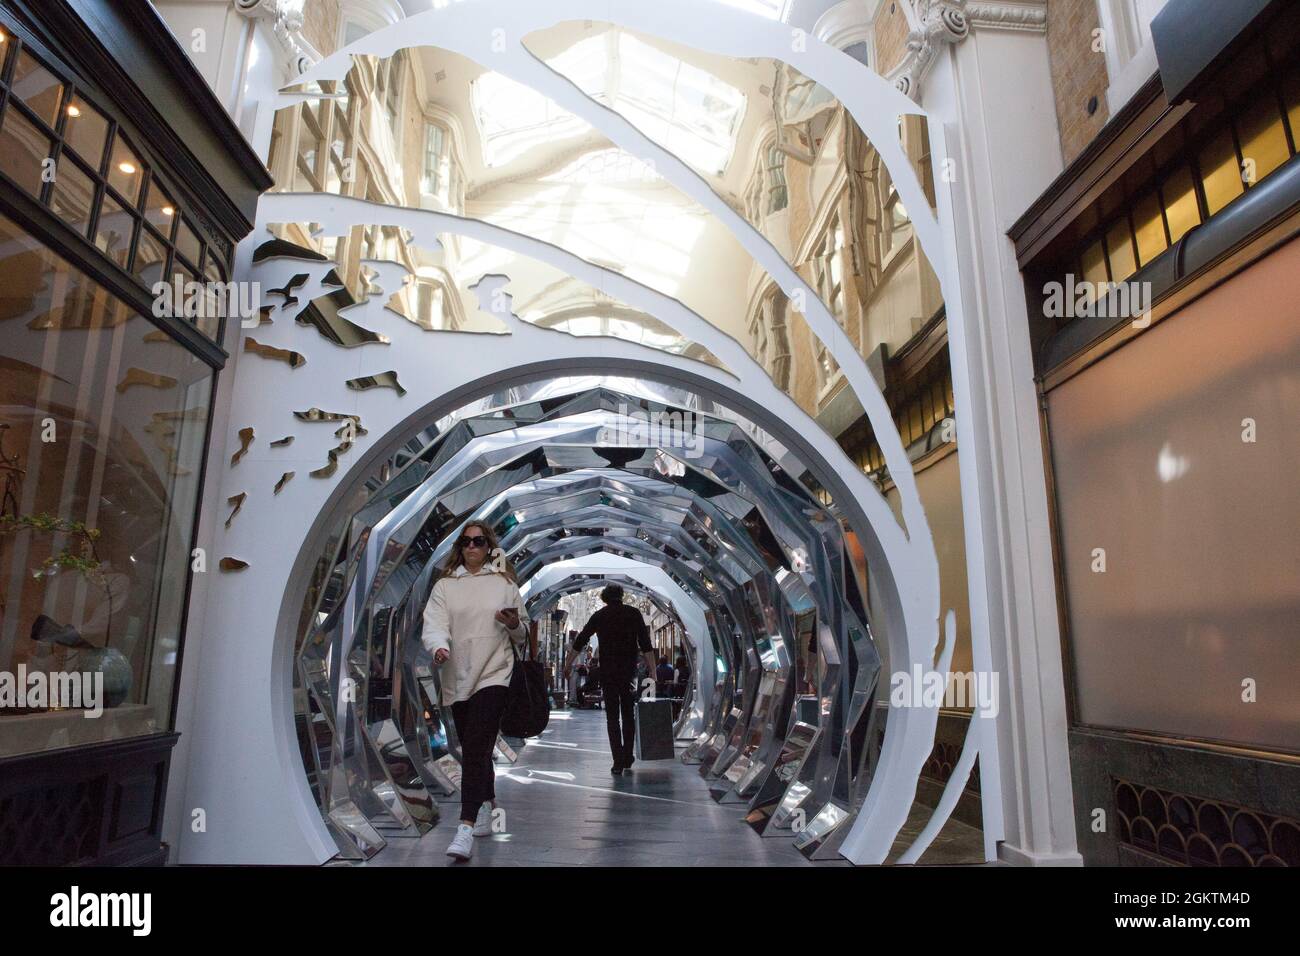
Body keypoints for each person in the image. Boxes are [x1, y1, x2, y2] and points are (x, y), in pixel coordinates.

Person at [421, 521, 530, 861]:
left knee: (476, 746)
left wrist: (513, 623)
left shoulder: (504, 584)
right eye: (466, 542)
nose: (472, 547)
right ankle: (486, 802)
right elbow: (434, 625)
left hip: (495, 674)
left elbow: (522, 633)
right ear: (459, 547)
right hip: (458, 675)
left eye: (479, 541)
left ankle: (465, 826)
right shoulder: (445, 586)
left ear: (488, 546)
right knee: (474, 745)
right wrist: (439, 647)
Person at [564, 584, 654, 775]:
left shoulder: (600, 616)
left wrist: (567, 664)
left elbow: (581, 640)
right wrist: (652, 670)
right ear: (621, 596)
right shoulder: (634, 613)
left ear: (604, 598)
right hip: (628, 672)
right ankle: (628, 755)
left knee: (612, 716)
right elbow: (646, 644)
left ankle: (617, 761)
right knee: (628, 714)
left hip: (608, 672)